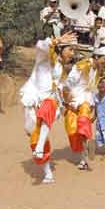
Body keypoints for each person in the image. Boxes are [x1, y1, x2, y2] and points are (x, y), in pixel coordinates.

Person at [20, 32, 77, 184]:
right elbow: (40, 45)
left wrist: (66, 101)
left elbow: (58, 87)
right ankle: (47, 172)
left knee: (49, 106)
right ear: (60, 49)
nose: (72, 54)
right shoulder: (44, 57)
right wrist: (55, 40)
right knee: (33, 134)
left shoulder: (60, 68)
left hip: (48, 102)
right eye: (70, 49)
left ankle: (40, 149)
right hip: (32, 100)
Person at [63, 46, 105, 170]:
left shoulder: (96, 70)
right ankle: (83, 158)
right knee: (73, 132)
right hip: (73, 100)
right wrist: (67, 103)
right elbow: (66, 86)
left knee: (83, 123)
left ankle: (86, 152)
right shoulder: (82, 66)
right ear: (96, 57)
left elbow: (89, 88)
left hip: (85, 101)